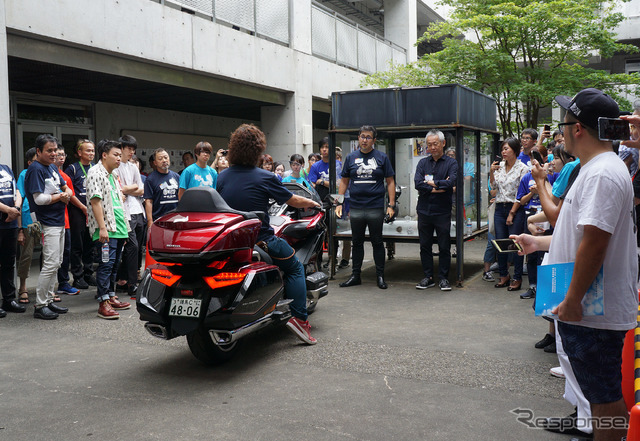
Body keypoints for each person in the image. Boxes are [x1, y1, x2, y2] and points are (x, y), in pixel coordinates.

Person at [514, 88, 635, 441]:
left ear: (578, 128)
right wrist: (537, 242)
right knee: (599, 395)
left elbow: (595, 245)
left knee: (604, 397)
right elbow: (579, 236)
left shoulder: (601, 174)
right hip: (589, 307)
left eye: (563, 124)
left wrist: (573, 300)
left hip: (592, 310)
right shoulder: (596, 169)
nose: (560, 132)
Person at [216, 124, 320, 345]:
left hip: (231, 242)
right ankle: (300, 320)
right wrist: (313, 202)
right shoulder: (265, 177)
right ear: (257, 150)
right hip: (261, 241)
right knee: (294, 266)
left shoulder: (222, 177)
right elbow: (293, 200)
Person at [335, 125, 395, 290]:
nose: (364, 140)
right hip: (356, 207)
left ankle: (380, 276)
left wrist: (391, 205)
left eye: (368, 137)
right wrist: (339, 202)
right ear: (358, 138)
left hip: (375, 207)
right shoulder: (351, 158)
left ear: (374, 140)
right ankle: (355, 276)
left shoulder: (382, 157)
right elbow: (345, 181)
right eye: (362, 136)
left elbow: (390, 181)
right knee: (357, 242)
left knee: (377, 242)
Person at [24, 134, 72, 320]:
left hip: (59, 220)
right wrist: (61, 196)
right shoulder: (35, 169)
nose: (54, 154)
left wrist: (66, 192)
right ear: (38, 151)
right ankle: (41, 305)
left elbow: (64, 185)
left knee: (56, 263)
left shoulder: (52, 167)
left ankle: (49, 300)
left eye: (55, 150)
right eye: (49, 151)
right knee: (51, 263)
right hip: (47, 222)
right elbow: (39, 199)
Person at [86, 140, 131, 319]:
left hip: (118, 228)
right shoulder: (95, 172)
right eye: (116, 155)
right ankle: (102, 302)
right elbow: (95, 201)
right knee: (105, 265)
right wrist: (102, 228)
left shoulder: (112, 175)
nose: (119, 158)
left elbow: (118, 204)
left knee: (114, 265)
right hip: (106, 230)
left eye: (120, 155)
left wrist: (125, 230)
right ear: (104, 155)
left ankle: (111, 297)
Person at [414, 130, 457, 291]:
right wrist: (438, 186)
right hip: (424, 210)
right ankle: (428, 276)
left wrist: (431, 184)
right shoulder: (423, 163)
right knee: (424, 245)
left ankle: (444, 278)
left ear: (443, 143)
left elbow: (452, 182)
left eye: (435, 144)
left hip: (442, 211)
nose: (432, 147)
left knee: (444, 245)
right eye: (429, 144)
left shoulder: (451, 163)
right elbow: (418, 183)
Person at [489, 137, 528, 291]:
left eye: (506, 149)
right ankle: (504, 275)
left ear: (515, 150)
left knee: (516, 243)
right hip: (499, 207)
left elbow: (522, 192)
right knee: (501, 242)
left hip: (515, 207)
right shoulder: (500, 166)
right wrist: (492, 172)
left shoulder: (523, 168)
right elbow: (493, 186)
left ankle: (517, 277)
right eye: (502, 149)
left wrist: (512, 213)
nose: (503, 152)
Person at [114, 135, 145, 298]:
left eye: (133, 149)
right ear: (121, 148)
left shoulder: (133, 166)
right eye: (129, 148)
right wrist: (129, 188)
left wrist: (127, 189)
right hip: (125, 211)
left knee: (136, 248)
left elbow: (141, 189)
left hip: (138, 210)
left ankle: (123, 278)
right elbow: (118, 188)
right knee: (131, 246)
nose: (132, 152)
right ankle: (132, 283)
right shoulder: (116, 166)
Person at [65, 139, 96, 289]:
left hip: (93, 211)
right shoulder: (72, 169)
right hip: (78, 211)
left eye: (92, 151)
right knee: (78, 245)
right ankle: (78, 277)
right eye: (87, 150)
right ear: (79, 153)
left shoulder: (96, 168)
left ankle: (88, 274)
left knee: (90, 244)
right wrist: (83, 207)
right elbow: (69, 192)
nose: (91, 153)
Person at [0, 148, 25, 318]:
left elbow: (17, 191)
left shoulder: (6, 168)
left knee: (9, 263)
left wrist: (15, 208)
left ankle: (9, 299)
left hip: (10, 225)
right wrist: (8, 210)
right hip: (4, 218)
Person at [54, 146, 80, 297]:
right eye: (58, 154)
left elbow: (71, 195)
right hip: (50, 222)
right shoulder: (44, 173)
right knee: (51, 256)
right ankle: (49, 288)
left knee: (65, 253)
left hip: (66, 221)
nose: (60, 157)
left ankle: (63, 283)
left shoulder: (66, 177)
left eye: (63, 154)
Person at [16, 148, 39, 305]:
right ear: (30, 162)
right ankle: (23, 287)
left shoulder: (47, 171)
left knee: (47, 253)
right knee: (27, 254)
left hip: (43, 218)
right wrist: (20, 230)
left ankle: (46, 289)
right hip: (28, 220)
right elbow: (19, 197)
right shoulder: (24, 174)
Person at [143, 148, 179, 229]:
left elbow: (181, 196)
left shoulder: (176, 176)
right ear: (155, 163)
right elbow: (148, 201)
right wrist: (150, 221)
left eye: (166, 157)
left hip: (176, 219)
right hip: (159, 220)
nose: (164, 160)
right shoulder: (150, 179)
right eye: (160, 159)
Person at [308, 138, 331, 202]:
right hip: (320, 200)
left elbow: (338, 185)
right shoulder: (315, 166)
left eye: (327, 147)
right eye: (322, 147)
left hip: (335, 199)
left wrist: (322, 182)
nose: (324, 149)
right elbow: (312, 185)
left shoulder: (337, 164)